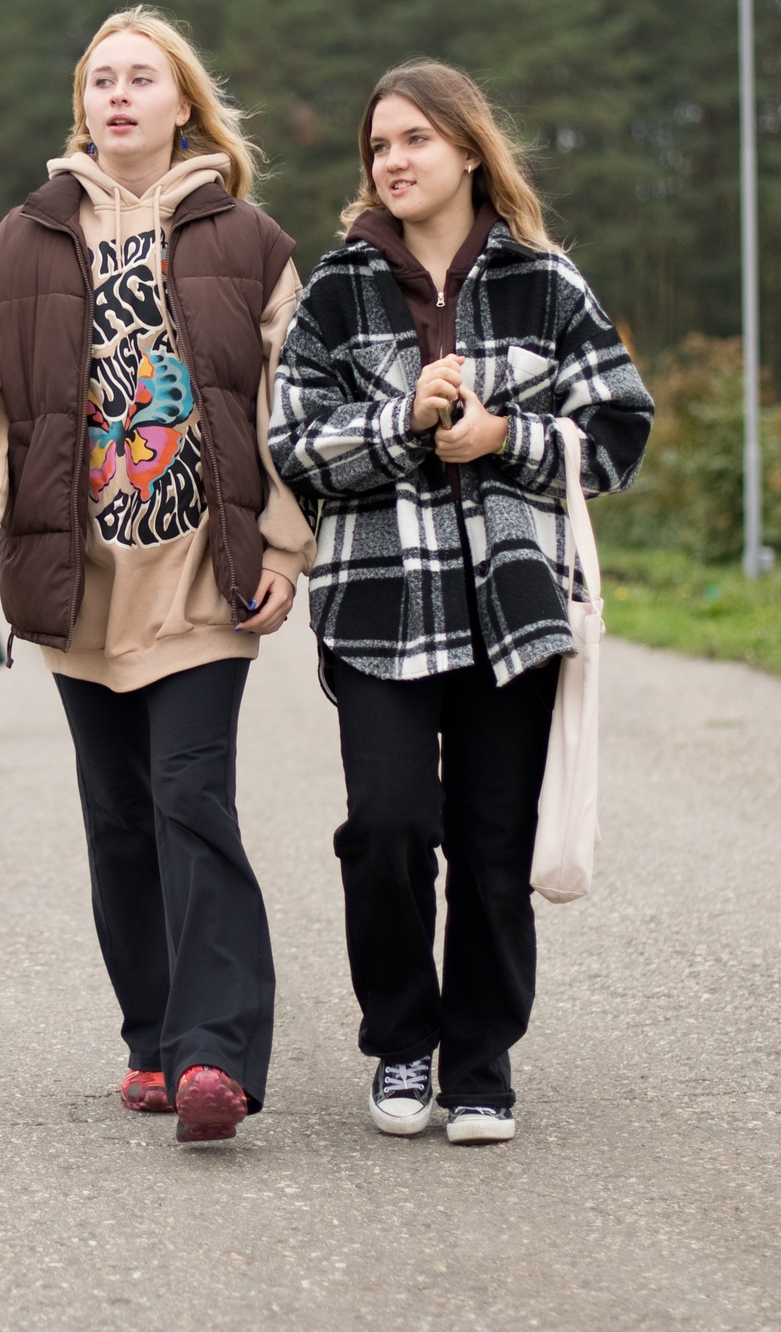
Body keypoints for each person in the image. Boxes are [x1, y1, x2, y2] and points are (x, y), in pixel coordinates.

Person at [0, 7, 313, 1144]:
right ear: (82, 105)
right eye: (102, 80)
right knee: (119, 816)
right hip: (77, 578)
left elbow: (298, 399)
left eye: (143, 78)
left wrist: (285, 542)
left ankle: (214, 1056)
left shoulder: (251, 242)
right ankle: (150, 1035)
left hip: (202, 578)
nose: (121, 96)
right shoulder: (23, 241)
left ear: (183, 102)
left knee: (192, 798)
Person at [270, 60, 653, 1146]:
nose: (391, 160)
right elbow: (292, 445)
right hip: (377, 603)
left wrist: (505, 438)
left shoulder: (546, 281)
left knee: (492, 846)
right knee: (386, 828)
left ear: (469, 151)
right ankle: (402, 1038)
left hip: (510, 606)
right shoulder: (337, 290)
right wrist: (401, 419)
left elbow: (621, 429)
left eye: (413, 141)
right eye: (377, 146)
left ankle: (480, 1063)